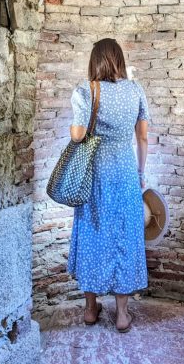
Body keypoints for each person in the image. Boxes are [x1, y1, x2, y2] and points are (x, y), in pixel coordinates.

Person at [67, 38, 150, 333]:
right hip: (125, 172)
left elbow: (77, 136)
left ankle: (90, 309)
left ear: (95, 61)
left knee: (92, 232)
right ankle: (123, 314)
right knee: (124, 236)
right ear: (119, 60)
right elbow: (142, 137)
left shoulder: (86, 91)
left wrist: (80, 123)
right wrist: (141, 172)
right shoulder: (135, 90)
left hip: (95, 174)